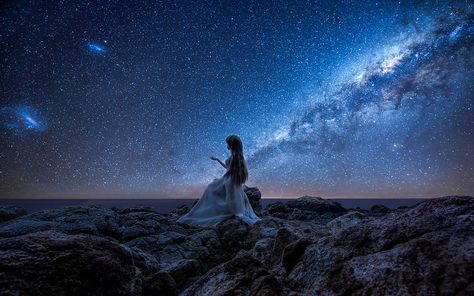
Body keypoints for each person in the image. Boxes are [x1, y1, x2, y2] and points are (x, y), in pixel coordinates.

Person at [177, 134, 261, 227]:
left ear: (232, 145)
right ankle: (211, 209)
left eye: (228, 143)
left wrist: (222, 180)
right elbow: (228, 168)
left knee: (212, 189)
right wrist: (218, 160)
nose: (227, 145)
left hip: (229, 181)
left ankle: (210, 211)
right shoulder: (236, 156)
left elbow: (230, 171)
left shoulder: (235, 157)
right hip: (229, 180)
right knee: (213, 188)